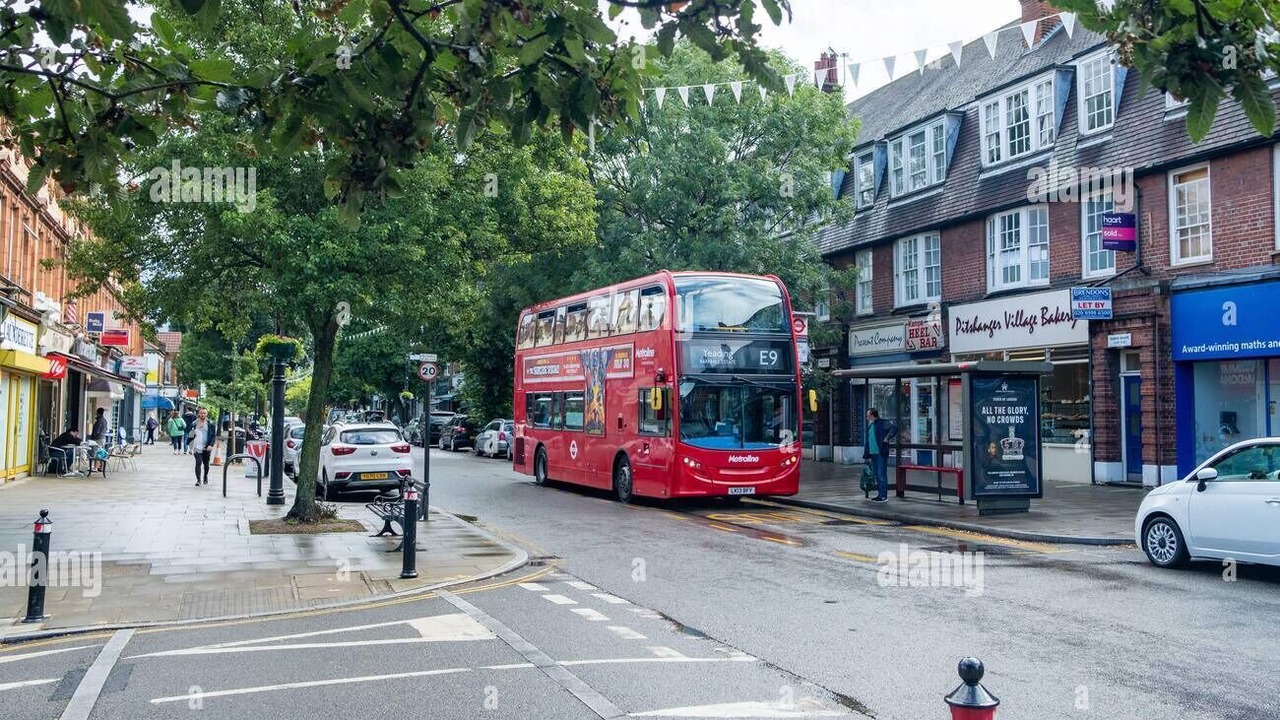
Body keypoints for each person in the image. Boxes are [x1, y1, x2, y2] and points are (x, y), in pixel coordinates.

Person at [865, 408, 897, 503]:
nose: (867, 418)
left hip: (880, 453)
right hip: (873, 453)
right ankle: (880, 494)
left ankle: (883, 496)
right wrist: (867, 455)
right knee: (877, 475)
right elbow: (868, 440)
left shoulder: (882, 422)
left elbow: (894, 428)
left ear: (872, 415)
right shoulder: (870, 425)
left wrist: (887, 437)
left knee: (881, 474)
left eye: (868, 416)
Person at [188, 407, 217, 486]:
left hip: (207, 448)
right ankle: (198, 480)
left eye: (204, 413)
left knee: (206, 464)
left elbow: (213, 436)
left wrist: (211, 445)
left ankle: (205, 477)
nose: (203, 414)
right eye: (201, 413)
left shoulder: (211, 424)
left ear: (207, 414)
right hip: (197, 447)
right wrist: (190, 448)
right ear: (199, 414)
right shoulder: (194, 424)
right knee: (198, 463)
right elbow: (190, 436)